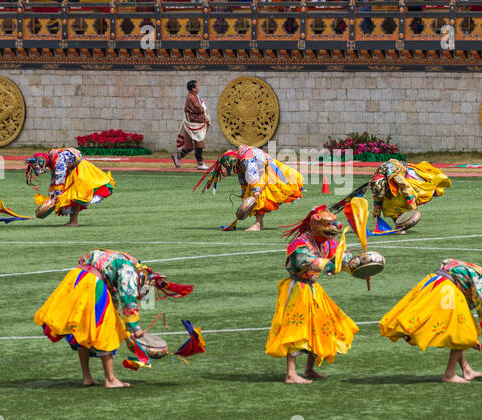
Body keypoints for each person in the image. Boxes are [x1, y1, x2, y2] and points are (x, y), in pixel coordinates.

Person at [34, 249, 192, 388]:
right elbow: (128, 298)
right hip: (92, 284)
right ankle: (110, 379)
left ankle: (87, 377)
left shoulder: (130, 262)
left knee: (83, 329)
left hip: (75, 279)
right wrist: (134, 328)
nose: (141, 296)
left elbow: (114, 294)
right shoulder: (130, 271)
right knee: (106, 330)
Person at [380, 259, 482, 383]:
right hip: (446, 289)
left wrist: (475, 340)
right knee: (462, 332)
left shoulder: (481, 273)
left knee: (463, 328)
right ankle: (449, 374)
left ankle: (466, 370)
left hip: (438, 283)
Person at [265, 205, 359, 384]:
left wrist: (358, 266)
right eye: (327, 225)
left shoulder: (326, 242)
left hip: (312, 288)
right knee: (296, 329)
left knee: (320, 326)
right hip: (297, 289)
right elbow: (309, 263)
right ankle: (291, 374)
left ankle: (309, 369)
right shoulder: (300, 243)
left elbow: (342, 257)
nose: (333, 229)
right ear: (314, 226)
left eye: (333, 224)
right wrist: (332, 265)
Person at [196, 144, 304, 231]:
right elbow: (241, 175)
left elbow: (252, 173)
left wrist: (256, 190)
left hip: (265, 171)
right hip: (260, 171)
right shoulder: (237, 158)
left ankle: (258, 225)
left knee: (259, 198)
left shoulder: (247, 158)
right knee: (257, 197)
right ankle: (260, 224)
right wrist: (244, 191)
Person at [24, 147, 115, 227]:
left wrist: (58, 196)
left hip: (80, 170)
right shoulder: (52, 157)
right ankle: (73, 221)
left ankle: (74, 222)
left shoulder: (57, 159)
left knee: (74, 196)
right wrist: (51, 195)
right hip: (74, 170)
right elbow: (54, 177)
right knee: (72, 196)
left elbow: (59, 178)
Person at [173, 80, 211, 169]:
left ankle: (177, 157)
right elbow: (199, 109)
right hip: (193, 124)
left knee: (189, 146)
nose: (199, 87)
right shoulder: (191, 97)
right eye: (197, 86)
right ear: (193, 88)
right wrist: (203, 104)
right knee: (199, 144)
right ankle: (200, 163)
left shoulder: (194, 96)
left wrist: (201, 103)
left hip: (192, 124)